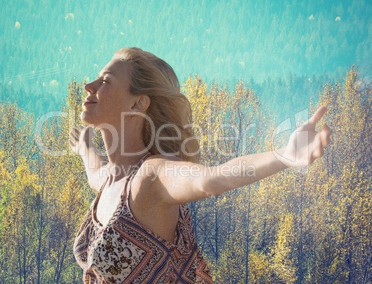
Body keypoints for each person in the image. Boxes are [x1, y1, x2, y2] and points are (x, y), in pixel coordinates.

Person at [69, 47, 332, 283]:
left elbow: (212, 180)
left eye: (105, 81)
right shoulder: (110, 180)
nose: (89, 86)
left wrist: (285, 156)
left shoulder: (151, 177)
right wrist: (85, 149)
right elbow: (95, 171)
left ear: (138, 102)